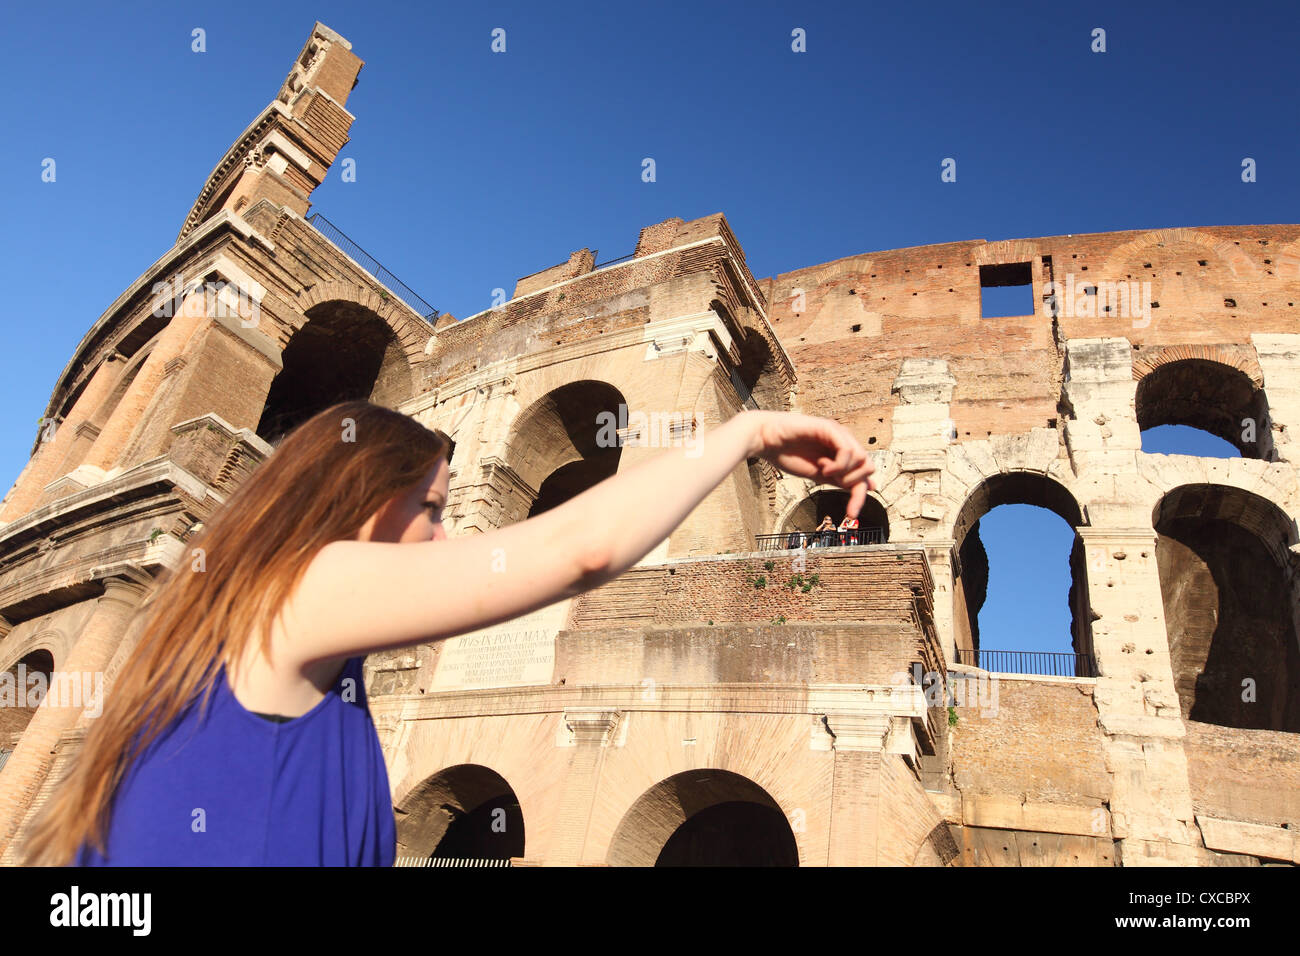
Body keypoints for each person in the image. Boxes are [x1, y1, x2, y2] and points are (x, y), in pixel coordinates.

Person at [20, 400, 874, 866]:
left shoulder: (227, 645)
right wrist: (750, 432)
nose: (445, 539)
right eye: (430, 509)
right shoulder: (305, 591)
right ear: (357, 500)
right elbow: (584, 550)